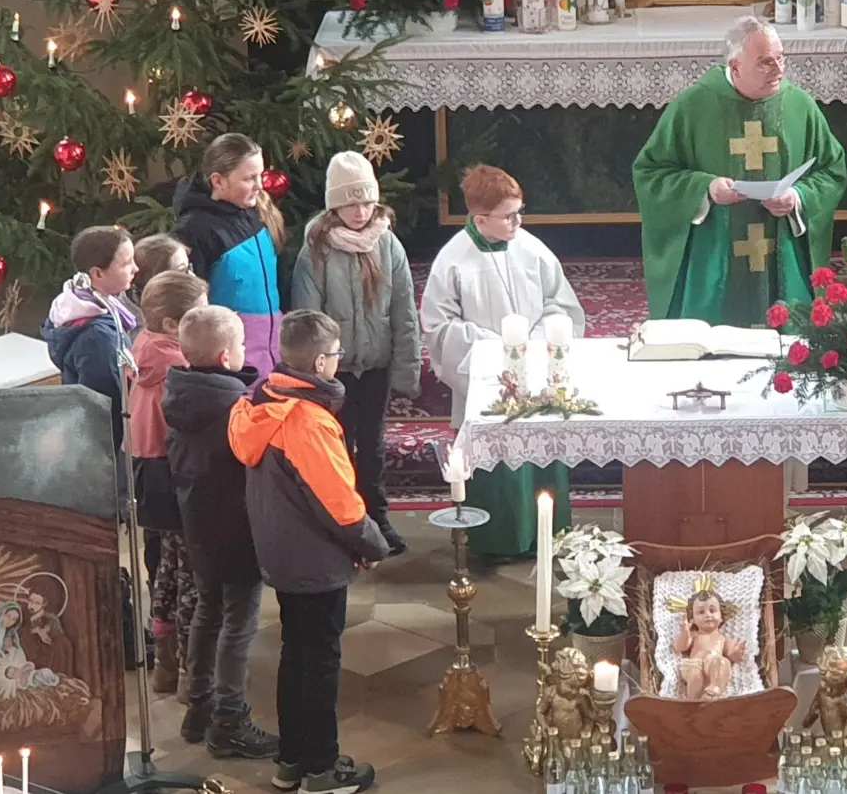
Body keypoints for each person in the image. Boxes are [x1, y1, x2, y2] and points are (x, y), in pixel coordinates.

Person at [229, 310, 387, 794]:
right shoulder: (307, 422)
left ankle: (291, 762)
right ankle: (321, 769)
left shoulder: (259, 403)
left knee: (294, 656)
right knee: (318, 664)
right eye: (336, 355)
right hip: (315, 559)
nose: (339, 361)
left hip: (282, 552)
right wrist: (372, 543)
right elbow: (338, 505)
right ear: (320, 363)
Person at [633, 16, 847, 326]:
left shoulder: (799, 106)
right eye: (765, 63)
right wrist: (704, 189)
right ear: (735, 67)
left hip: (779, 249)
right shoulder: (694, 106)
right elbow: (650, 173)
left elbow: (832, 170)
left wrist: (797, 196)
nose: (778, 70)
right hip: (714, 254)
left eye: (780, 58)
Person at [421, 165, 585, 560]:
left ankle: (547, 537)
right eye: (509, 215)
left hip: (537, 372)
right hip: (488, 378)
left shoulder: (532, 249)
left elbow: (561, 304)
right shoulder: (453, 260)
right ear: (480, 219)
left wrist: (541, 339)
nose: (518, 221)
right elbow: (438, 327)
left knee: (539, 453)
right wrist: (495, 348)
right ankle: (499, 544)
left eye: (519, 211)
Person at [292, 152, 421, 556]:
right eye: (351, 202)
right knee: (336, 447)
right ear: (335, 205)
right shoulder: (316, 248)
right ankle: (343, 522)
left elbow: (404, 311)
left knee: (373, 445)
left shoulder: (388, 244)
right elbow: (308, 317)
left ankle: (377, 518)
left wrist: (406, 369)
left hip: (376, 365)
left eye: (367, 201)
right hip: (334, 371)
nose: (361, 211)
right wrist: (314, 373)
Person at [165, 304, 277, 759]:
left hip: (198, 525)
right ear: (227, 355)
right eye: (243, 346)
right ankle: (230, 719)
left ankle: (199, 707)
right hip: (236, 528)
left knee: (207, 612)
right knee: (239, 622)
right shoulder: (233, 407)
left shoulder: (179, 393)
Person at [130, 272, 209, 701]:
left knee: (164, 570)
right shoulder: (177, 366)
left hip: (148, 472)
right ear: (170, 326)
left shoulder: (143, 349)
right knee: (188, 574)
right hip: (173, 473)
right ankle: (190, 671)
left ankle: (164, 666)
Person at [175, 133, 285, 380]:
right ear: (218, 181)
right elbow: (190, 308)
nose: (260, 185)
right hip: (231, 364)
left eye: (260, 175)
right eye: (249, 178)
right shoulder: (195, 230)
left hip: (272, 356)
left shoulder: (257, 212)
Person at [42, 226, 139, 447]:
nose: (136, 268)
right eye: (126, 263)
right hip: (106, 444)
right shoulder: (99, 338)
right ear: (97, 273)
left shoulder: (74, 305)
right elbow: (105, 404)